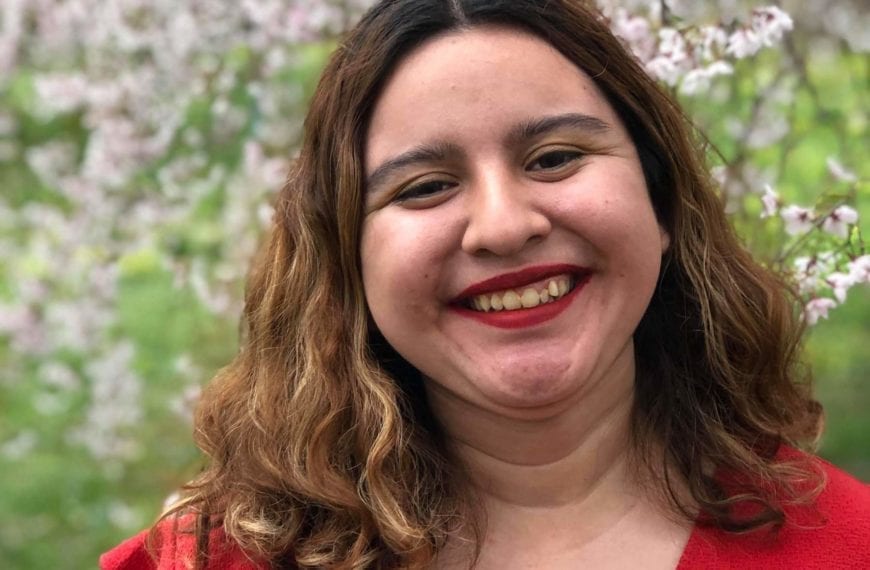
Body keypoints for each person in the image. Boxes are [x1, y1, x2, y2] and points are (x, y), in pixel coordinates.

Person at [101, 0, 870, 568]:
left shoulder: (848, 544)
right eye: (425, 187)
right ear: (347, 263)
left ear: (661, 201)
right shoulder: (220, 560)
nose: (503, 227)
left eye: (555, 157)